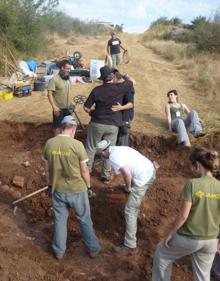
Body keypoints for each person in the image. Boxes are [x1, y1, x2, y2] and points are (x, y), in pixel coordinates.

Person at [152, 147, 220, 281]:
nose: (191, 169)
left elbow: (183, 215)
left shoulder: (192, 184)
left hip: (190, 238)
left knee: (162, 253)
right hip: (211, 240)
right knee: (203, 276)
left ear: (198, 165)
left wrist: (171, 233)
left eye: (192, 166)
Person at [42, 115, 101, 259]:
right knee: (84, 219)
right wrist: (88, 187)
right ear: (73, 129)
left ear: (62, 127)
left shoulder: (49, 143)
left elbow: (47, 169)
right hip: (77, 190)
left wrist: (50, 185)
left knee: (60, 221)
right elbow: (85, 170)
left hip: (58, 190)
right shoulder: (77, 145)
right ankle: (93, 249)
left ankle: (59, 251)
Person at [97, 139, 156, 255]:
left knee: (130, 210)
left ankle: (130, 246)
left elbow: (127, 173)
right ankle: (135, 219)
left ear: (103, 152)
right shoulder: (119, 148)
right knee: (132, 200)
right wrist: (127, 186)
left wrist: (129, 188)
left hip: (144, 179)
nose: (101, 156)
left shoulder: (113, 158)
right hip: (151, 170)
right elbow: (127, 171)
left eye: (100, 154)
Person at [84, 65, 133, 183]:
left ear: (102, 79)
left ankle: (87, 171)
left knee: (90, 147)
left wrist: (92, 112)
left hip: (96, 123)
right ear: (112, 77)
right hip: (113, 124)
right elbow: (130, 82)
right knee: (109, 149)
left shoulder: (96, 90)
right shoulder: (119, 88)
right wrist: (124, 75)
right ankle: (105, 175)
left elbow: (86, 108)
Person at [47, 60, 72, 136]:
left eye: (70, 69)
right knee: (57, 127)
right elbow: (49, 94)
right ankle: (56, 143)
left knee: (67, 126)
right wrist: (54, 107)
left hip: (68, 107)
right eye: (67, 68)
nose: (69, 70)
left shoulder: (68, 78)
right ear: (62, 68)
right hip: (58, 108)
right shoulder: (54, 79)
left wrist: (71, 103)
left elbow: (68, 91)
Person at [112, 70, 135, 146]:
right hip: (119, 117)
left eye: (112, 79)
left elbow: (130, 104)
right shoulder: (120, 85)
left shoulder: (128, 87)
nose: (111, 81)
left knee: (122, 140)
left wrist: (120, 107)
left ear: (115, 77)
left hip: (125, 117)